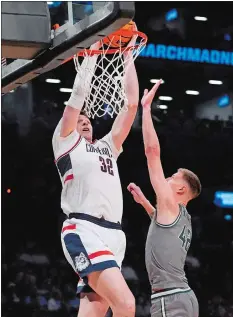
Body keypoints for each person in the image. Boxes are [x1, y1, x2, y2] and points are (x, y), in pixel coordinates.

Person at [52, 26, 139, 317]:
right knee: (126, 305)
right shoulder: (64, 142)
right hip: (84, 228)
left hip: (114, 234)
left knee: (93, 311)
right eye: (80, 120)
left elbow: (130, 106)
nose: (85, 121)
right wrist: (90, 53)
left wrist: (127, 55)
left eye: (88, 120)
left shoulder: (108, 146)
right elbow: (76, 100)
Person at [127, 80, 201, 317]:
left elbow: (152, 152)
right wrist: (145, 203)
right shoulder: (183, 216)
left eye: (172, 177)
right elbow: (161, 225)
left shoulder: (171, 204)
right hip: (184, 297)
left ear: (180, 191)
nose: (167, 179)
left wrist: (146, 110)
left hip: (169, 298)